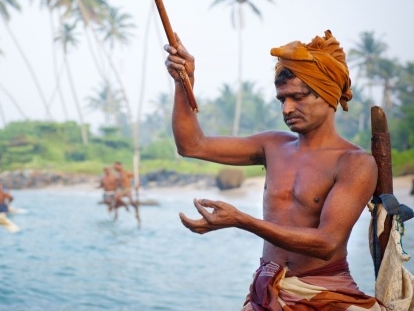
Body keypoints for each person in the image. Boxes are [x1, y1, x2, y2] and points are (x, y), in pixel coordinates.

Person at [164, 30, 384, 310]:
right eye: (282, 99)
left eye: (297, 97)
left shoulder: (355, 163)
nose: (287, 108)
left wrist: (242, 220)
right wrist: (184, 81)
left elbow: (328, 242)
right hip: (266, 291)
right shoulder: (274, 145)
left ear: (328, 96)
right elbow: (192, 145)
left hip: (324, 292)